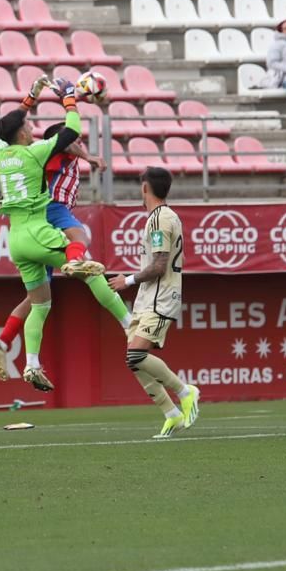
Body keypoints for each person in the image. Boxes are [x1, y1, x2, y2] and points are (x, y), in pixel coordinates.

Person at [0, 79, 132, 392]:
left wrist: (31, 98)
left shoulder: (2, 154)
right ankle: (129, 324)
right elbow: (71, 131)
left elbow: (7, 127)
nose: (31, 128)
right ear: (23, 133)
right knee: (90, 268)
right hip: (36, 228)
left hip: (15, 239)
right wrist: (70, 98)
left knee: (40, 304)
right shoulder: (36, 154)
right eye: (27, 125)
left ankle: (30, 363)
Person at [104, 167, 201, 437]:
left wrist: (128, 281)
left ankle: (185, 391)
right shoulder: (159, 217)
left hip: (161, 297)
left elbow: (159, 265)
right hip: (148, 298)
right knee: (133, 360)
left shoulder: (161, 218)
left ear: (145, 188)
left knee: (136, 355)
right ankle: (172, 414)